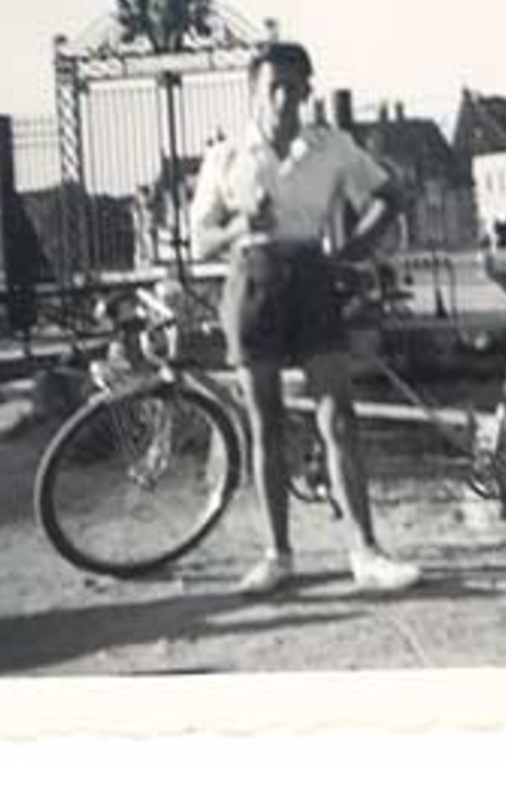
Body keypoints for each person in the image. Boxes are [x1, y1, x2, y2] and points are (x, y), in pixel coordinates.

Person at [189, 41, 421, 596]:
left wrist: (354, 250)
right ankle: (278, 556)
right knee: (265, 425)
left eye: (297, 88)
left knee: (338, 415)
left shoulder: (331, 147)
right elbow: (201, 240)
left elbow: (391, 194)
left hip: (312, 279)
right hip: (252, 284)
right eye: (275, 88)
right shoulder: (226, 157)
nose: (287, 100)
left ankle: (365, 552)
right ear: (254, 94)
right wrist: (241, 223)